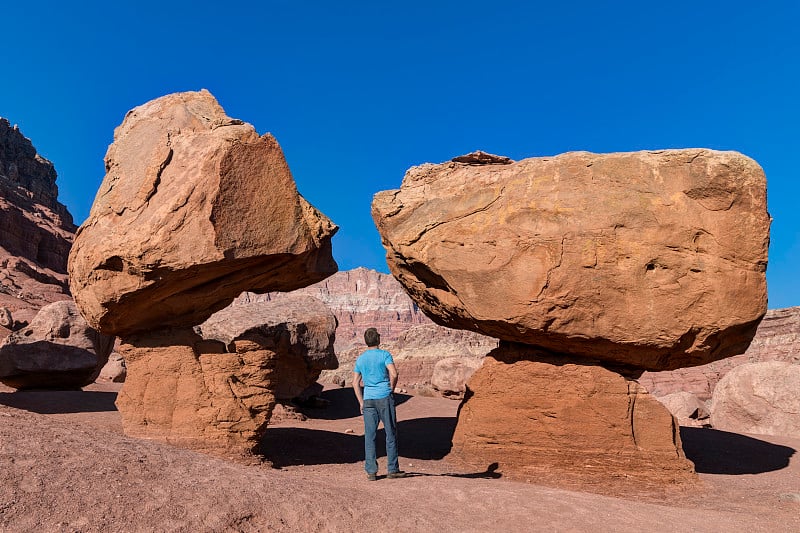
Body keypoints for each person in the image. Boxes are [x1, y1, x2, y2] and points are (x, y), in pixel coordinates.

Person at [353, 327, 407, 481]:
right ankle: (392, 469)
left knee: (369, 436)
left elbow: (355, 382)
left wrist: (361, 402)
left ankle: (371, 471)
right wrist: (391, 388)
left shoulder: (361, 359)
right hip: (384, 397)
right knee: (390, 433)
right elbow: (394, 373)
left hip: (368, 400)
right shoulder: (384, 355)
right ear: (378, 339)